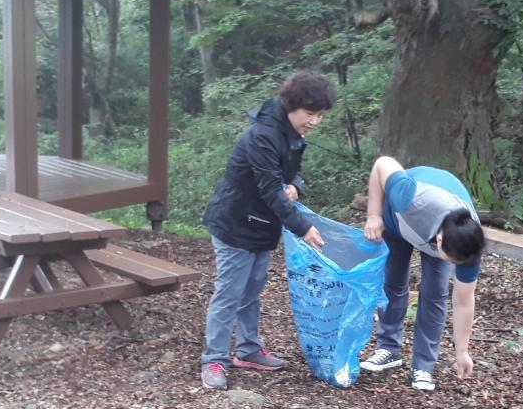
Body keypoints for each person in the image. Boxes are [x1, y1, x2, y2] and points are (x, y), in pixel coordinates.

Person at [199, 70, 330, 390]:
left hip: (262, 224)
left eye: (320, 115)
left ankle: (248, 350)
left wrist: (295, 184)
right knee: (229, 293)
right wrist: (303, 228)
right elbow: (270, 189)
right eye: (310, 113)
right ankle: (214, 359)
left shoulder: (292, 133)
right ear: (291, 105)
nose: (314, 121)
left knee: (251, 291)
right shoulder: (264, 135)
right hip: (235, 222)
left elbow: (291, 172)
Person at [358, 157, 485, 392]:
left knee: (435, 293)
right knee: (393, 281)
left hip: (438, 227)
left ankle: (423, 366)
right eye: (451, 260)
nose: (454, 266)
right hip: (398, 220)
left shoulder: (469, 245)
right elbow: (383, 163)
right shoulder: (409, 196)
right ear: (440, 240)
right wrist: (373, 215)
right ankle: (388, 349)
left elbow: (464, 301)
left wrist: (462, 352)